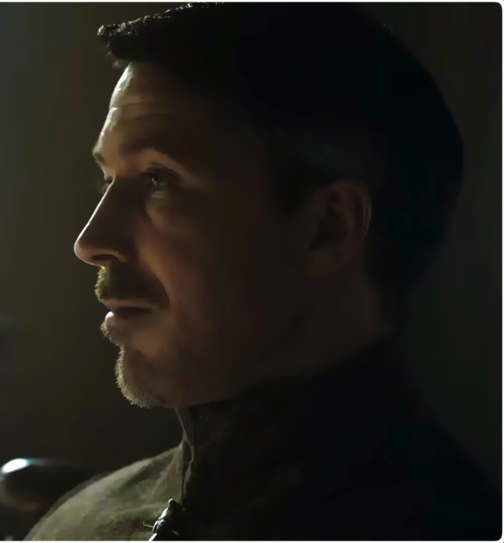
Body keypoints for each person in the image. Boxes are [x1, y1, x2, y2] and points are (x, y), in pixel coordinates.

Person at [27, 3, 501, 540]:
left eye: (159, 179)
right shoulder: (83, 517)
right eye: (108, 178)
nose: (91, 242)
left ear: (328, 228)